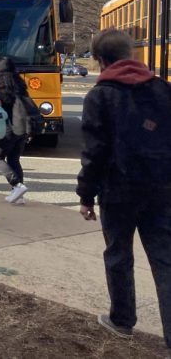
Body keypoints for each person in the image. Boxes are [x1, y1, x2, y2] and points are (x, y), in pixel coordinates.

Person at [76, 29, 171, 349]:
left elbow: (94, 152)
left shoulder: (100, 96)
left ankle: (122, 320)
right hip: (161, 187)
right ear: (131, 54)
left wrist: (86, 196)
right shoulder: (162, 89)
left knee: (119, 254)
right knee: (165, 259)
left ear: (100, 60)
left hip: (117, 190)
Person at [0, 57, 31, 205]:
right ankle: (19, 196)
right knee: (14, 159)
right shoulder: (20, 84)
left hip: (7, 128)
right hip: (21, 128)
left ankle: (17, 186)